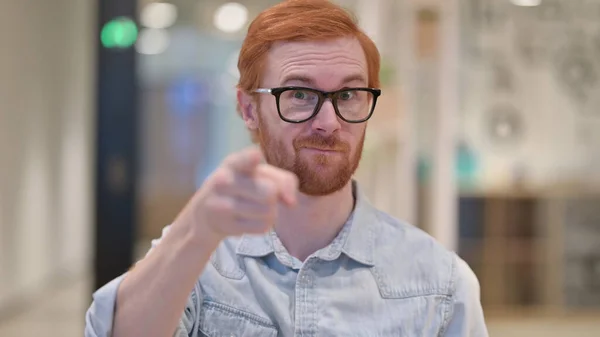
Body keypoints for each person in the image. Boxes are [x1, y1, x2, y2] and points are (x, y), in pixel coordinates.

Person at [85, 0, 488, 336]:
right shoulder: (199, 256)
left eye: (348, 93)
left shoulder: (440, 285)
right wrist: (196, 230)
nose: (328, 122)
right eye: (299, 93)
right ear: (248, 109)